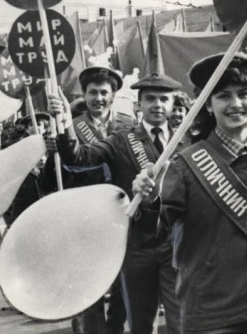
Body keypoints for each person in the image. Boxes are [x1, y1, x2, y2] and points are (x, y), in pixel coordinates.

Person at [133, 53, 247, 334]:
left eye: (244, 94)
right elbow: (153, 236)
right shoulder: (184, 165)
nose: (235, 104)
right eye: (223, 96)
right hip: (211, 315)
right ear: (207, 104)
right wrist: (148, 199)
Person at [48, 72, 183, 334]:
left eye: (164, 99)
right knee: (141, 325)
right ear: (139, 105)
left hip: (176, 245)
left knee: (182, 323)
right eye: (150, 99)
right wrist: (65, 121)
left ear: (172, 104)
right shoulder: (122, 140)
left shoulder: (186, 140)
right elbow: (80, 156)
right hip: (136, 244)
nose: (157, 105)